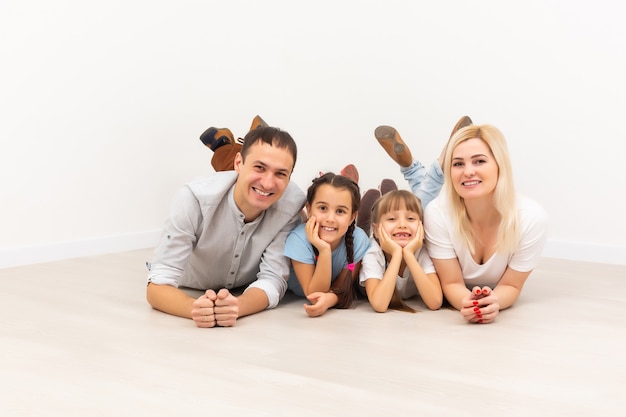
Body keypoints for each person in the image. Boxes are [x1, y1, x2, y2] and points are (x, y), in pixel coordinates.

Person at [146, 126, 306, 328]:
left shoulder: (292, 206)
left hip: (243, 287)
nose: (267, 183)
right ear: (238, 163)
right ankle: (227, 145)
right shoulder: (192, 199)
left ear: (289, 178)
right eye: (259, 168)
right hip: (192, 285)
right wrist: (195, 308)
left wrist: (237, 306)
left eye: (280, 173)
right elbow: (157, 286)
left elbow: (273, 279)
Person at [421, 123, 548, 324]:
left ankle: (413, 172)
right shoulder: (437, 213)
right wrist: (466, 302)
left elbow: (512, 286)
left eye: (479, 161)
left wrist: (492, 302)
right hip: (412, 258)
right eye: (458, 164)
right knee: (408, 214)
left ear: (500, 165)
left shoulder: (531, 218)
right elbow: (451, 282)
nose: (468, 172)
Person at [284, 172, 370, 317]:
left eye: (340, 211)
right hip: (294, 295)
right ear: (309, 209)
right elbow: (314, 294)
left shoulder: (358, 240)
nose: (330, 218)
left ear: (352, 217)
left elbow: (343, 286)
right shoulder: (298, 239)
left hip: (335, 286)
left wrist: (332, 299)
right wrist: (324, 250)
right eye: (323, 208)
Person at [359, 190, 443, 313]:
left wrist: (409, 254)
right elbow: (379, 304)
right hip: (356, 284)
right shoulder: (373, 252)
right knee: (359, 242)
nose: (402, 225)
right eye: (392, 219)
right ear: (376, 230)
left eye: (410, 218)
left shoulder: (421, 251)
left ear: (422, 226)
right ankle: (362, 224)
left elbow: (435, 302)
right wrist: (397, 255)